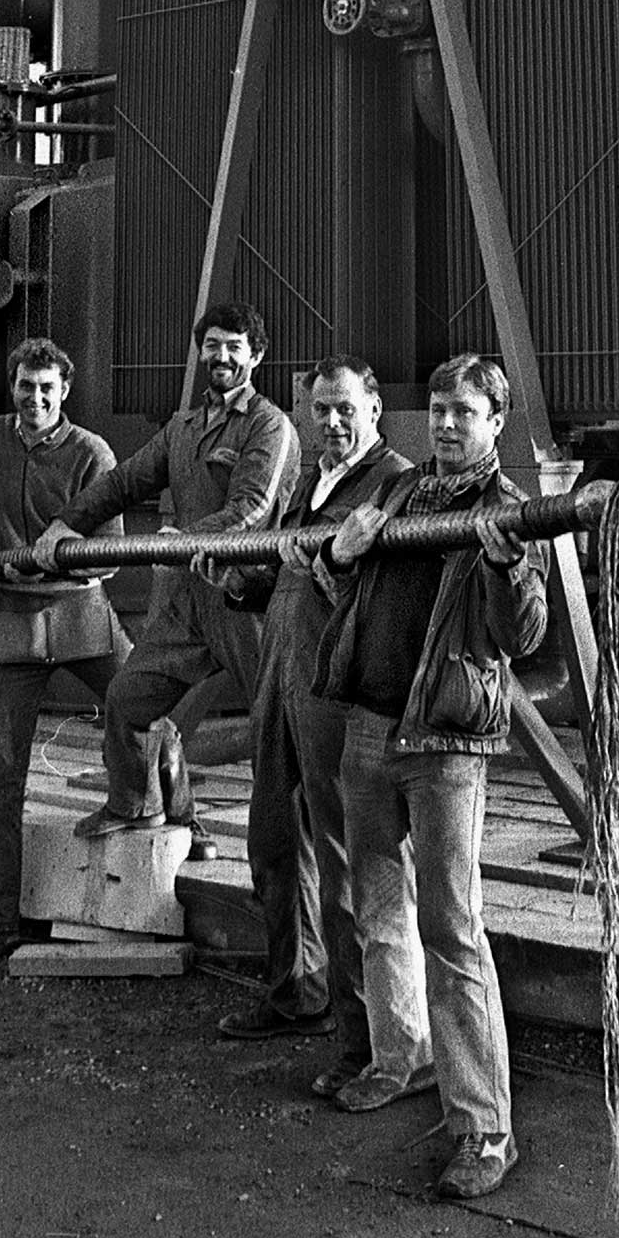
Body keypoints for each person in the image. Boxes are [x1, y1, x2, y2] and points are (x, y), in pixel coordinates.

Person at [315, 352, 547, 1202]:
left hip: (446, 745)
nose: (447, 424)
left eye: (465, 412)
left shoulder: (507, 511)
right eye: (439, 409)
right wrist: (338, 556)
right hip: (370, 728)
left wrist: (505, 565)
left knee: (452, 929)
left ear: (496, 422)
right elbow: (334, 580)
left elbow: (523, 639)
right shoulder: (402, 497)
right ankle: (399, 1057)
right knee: (378, 908)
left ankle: (486, 1129)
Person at [218, 359, 409, 1088]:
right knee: (271, 840)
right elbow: (289, 572)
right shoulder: (312, 482)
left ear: (375, 406)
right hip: (279, 677)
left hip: (335, 692)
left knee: (343, 869)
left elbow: (377, 587)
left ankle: (366, 1043)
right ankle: (296, 992)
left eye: (344, 409)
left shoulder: (394, 483)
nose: (331, 421)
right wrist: (242, 578)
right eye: (320, 409)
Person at [47, 303, 298, 836]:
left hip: (248, 597)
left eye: (234, 346)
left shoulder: (269, 426)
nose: (222, 356)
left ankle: (293, 840)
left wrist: (190, 540)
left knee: (280, 728)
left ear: (256, 355)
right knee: (128, 699)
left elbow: (253, 507)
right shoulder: (182, 428)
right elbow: (124, 482)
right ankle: (136, 804)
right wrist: (66, 525)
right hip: (189, 602)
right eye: (212, 345)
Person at [0, 338, 130, 977]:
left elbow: (113, 549)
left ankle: (177, 812)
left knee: (147, 703)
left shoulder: (93, 453)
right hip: (13, 630)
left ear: (65, 391)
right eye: (26, 386)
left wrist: (63, 556)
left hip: (80, 616)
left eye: (48, 388)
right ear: (12, 386)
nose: (36, 398)